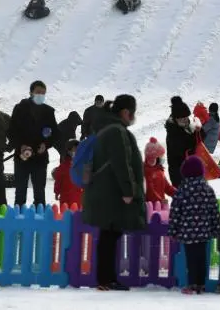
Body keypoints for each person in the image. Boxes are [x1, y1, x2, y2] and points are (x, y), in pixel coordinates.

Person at [82, 94, 145, 291]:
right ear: (126, 112)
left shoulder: (105, 129)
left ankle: (106, 278)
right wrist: (129, 190)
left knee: (109, 235)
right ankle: (106, 279)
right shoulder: (116, 132)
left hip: (104, 191)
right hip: (112, 193)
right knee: (110, 235)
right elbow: (121, 163)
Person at [168, 155, 220, 294]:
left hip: (188, 232)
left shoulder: (182, 190)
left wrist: (173, 230)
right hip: (204, 231)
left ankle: (192, 284)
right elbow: (213, 210)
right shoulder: (207, 189)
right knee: (202, 258)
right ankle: (201, 284)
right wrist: (215, 228)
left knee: (191, 259)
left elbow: (175, 212)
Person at [8, 81, 59, 207]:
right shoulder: (20, 108)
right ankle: (18, 224)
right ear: (31, 92)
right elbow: (11, 131)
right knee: (20, 193)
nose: (40, 95)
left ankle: (40, 222)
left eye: (43, 93)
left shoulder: (48, 111)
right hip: (22, 157)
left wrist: (46, 144)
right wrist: (21, 145)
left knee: (40, 194)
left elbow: (55, 133)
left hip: (40, 159)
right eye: (38, 92)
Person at [165, 97, 199, 188]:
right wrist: (194, 136)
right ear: (175, 119)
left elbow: (198, 142)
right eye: (182, 118)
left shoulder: (187, 127)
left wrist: (199, 132)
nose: (185, 120)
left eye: (186, 117)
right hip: (179, 173)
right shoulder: (173, 132)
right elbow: (183, 148)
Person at [143, 137, 176, 204]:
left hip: (161, 205)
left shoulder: (159, 171)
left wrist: (177, 193)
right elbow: (150, 192)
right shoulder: (147, 172)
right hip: (151, 208)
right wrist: (160, 201)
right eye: (161, 156)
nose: (163, 158)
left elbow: (167, 187)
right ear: (154, 158)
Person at [53, 139, 83, 209]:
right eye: (74, 149)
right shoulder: (63, 166)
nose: (76, 152)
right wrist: (57, 191)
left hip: (80, 197)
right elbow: (58, 180)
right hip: (66, 198)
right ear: (68, 151)